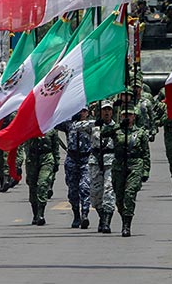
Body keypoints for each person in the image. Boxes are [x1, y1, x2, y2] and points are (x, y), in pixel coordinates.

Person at [108, 100, 151, 237]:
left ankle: (127, 225)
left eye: (130, 115)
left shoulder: (140, 133)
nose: (127, 117)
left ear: (134, 116)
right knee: (119, 197)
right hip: (119, 165)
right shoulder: (116, 130)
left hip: (135, 164)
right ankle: (123, 216)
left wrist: (146, 171)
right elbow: (104, 132)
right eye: (124, 115)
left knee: (129, 193)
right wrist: (118, 126)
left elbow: (146, 153)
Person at [55, 107, 94, 229]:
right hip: (72, 159)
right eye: (78, 110)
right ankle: (76, 214)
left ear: (87, 112)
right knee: (73, 191)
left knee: (85, 187)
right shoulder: (68, 125)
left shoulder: (92, 125)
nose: (81, 113)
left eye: (83, 111)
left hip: (86, 159)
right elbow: (53, 122)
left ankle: (85, 215)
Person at [89, 102, 118, 233]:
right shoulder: (94, 126)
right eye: (104, 110)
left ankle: (107, 221)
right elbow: (75, 126)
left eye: (109, 110)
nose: (106, 112)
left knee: (109, 191)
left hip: (110, 161)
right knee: (95, 195)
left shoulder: (117, 127)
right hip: (95, 162)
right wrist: (94, 123)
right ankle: (101, 216)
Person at [23, 129, 58, 226]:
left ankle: (41, 214)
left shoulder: (51, 129)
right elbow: (23, 145)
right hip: (32, 159)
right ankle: (35, 214)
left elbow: (55, 146)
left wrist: (57, 162)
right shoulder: (30, 127)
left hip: (46, 158)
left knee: (42, 184)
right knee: (32, 186)